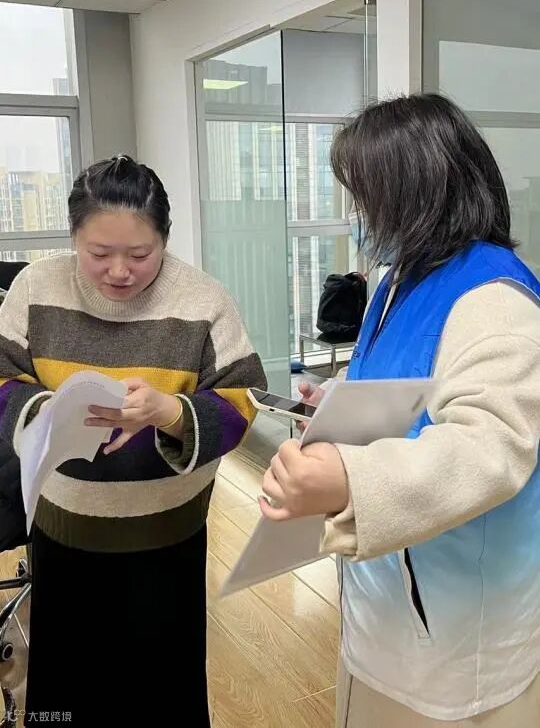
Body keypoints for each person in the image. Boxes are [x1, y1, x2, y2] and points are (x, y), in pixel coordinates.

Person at [260, 94, 540, 726]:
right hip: (383, 596)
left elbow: (489, 447)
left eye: (366, 199)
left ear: (418, 192)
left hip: (456, 631)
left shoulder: (495, 299)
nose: (357, 217)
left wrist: (349, 479)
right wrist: (340, 399)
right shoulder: (399, 279)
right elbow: (408, 378)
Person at [0, 155, 266, 726]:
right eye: (98, 253)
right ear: (73, 236)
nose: (119, 271)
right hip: (63, 527)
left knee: (162, 690)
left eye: (141, 255)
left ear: (164, 239)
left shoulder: (203, 300)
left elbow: (243, 401)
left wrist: (171, 413)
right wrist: (46, 412)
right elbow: (1, 376)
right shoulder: (35, 288)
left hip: (167, 535)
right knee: (66, 693)